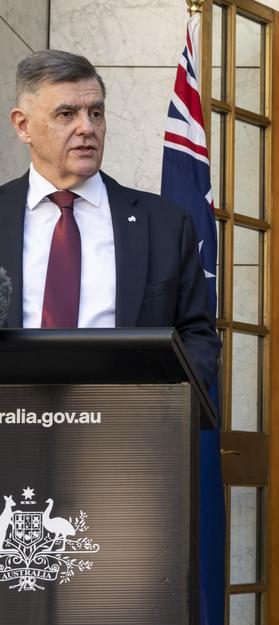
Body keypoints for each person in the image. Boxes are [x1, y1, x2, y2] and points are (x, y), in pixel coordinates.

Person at [1, 50, 219, 390]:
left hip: (123, 432)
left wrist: (166, 409)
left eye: (96, 113)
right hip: (12, 426)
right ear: (23, 125)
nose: (87, 127)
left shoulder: (164, 224)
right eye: (67, 113)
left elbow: (196, 335)